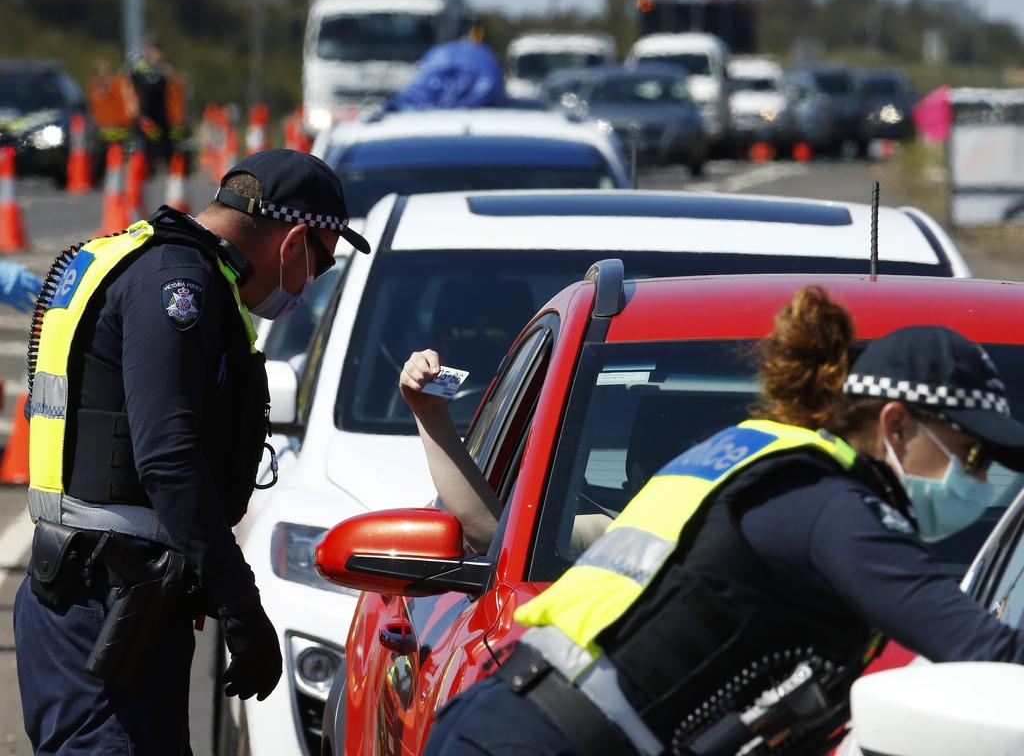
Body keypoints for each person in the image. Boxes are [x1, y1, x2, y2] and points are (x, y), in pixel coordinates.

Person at [420, 286, 1024, 756]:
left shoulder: (756, 456)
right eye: (971, 454)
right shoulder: (830, 505)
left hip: (506, 718)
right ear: (896, 426)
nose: (981, 480)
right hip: (547, 741)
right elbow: (988, 655)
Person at [14, 148, 371, 755]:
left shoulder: (145, 259)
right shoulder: (178, 283)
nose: (310, 284)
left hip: (94, 591)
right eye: (320, 263)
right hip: (105, 602)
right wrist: (241, 603)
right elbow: (168, 459)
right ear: (295, 243)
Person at [401, 349, 611, 555]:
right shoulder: (625, 532)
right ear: (635, 466)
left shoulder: (624, 531)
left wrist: (430, 412)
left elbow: (496, 539)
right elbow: (494, 537)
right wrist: (429, 411)